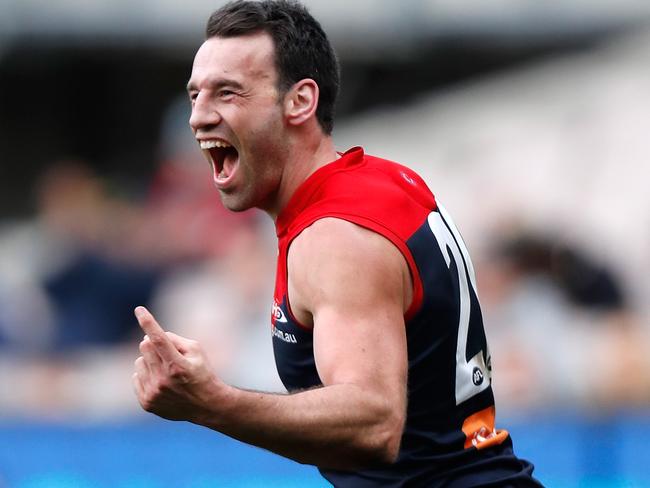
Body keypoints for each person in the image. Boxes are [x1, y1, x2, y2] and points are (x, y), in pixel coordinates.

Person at [132, 1, 543, 486]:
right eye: (195, 95)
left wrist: (212, 402)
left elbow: (374, 423)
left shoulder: (334, 234)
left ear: (300, 101)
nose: (198, 117)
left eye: (227, 93)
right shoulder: (381, 181)